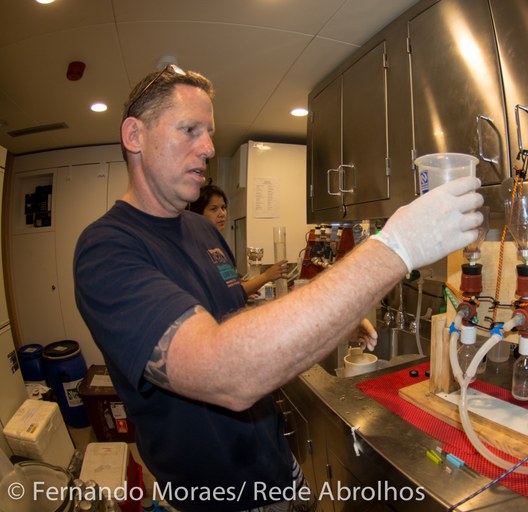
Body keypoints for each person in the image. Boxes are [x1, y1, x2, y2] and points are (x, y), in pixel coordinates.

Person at [73, 64, 483, 512]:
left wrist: (328, 322)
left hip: (278, 469)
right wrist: (396, 247)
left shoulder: (201, 231)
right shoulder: (106, 249)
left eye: (208, 132)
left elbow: (231, 320)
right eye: (189, 129)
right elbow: (224, 370)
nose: (208, 147)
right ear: (134, 135)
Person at [189, 183, 288, 297]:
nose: (222, 214)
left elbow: (229, 286)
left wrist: (244, 286)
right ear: (198, 214)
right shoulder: (197, 248)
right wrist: (267, 276)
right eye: (213, 209)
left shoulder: (216, 244)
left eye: (223, 207)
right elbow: (224, 293)